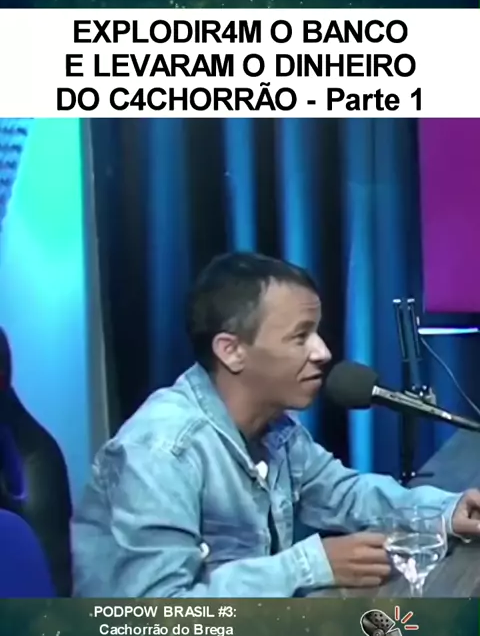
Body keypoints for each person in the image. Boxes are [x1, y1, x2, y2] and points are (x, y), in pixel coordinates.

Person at [71, 252, 480, 597]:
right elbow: (157, 615)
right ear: (231, 351)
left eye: (316, 333)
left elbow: (345, 494)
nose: (323, 352)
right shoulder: (161, 451)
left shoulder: (277, 430)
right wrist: (309, 565)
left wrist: (446, 511)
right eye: (300, 337)